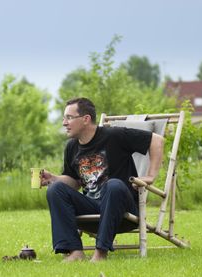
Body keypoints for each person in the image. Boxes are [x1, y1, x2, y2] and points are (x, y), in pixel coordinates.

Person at [41, 97, 164, 262]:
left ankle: (100, 253)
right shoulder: (72, 147)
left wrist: (150, 176)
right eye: (64, 118)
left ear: (86, 119)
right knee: (55, 189)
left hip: (123, 213)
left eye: (69, 117)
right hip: (92, 210)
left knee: (113, 185)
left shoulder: (114, 135)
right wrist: (54, 178)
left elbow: (157, 140)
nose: (64, 122)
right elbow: (75, 182)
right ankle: (74, 251)